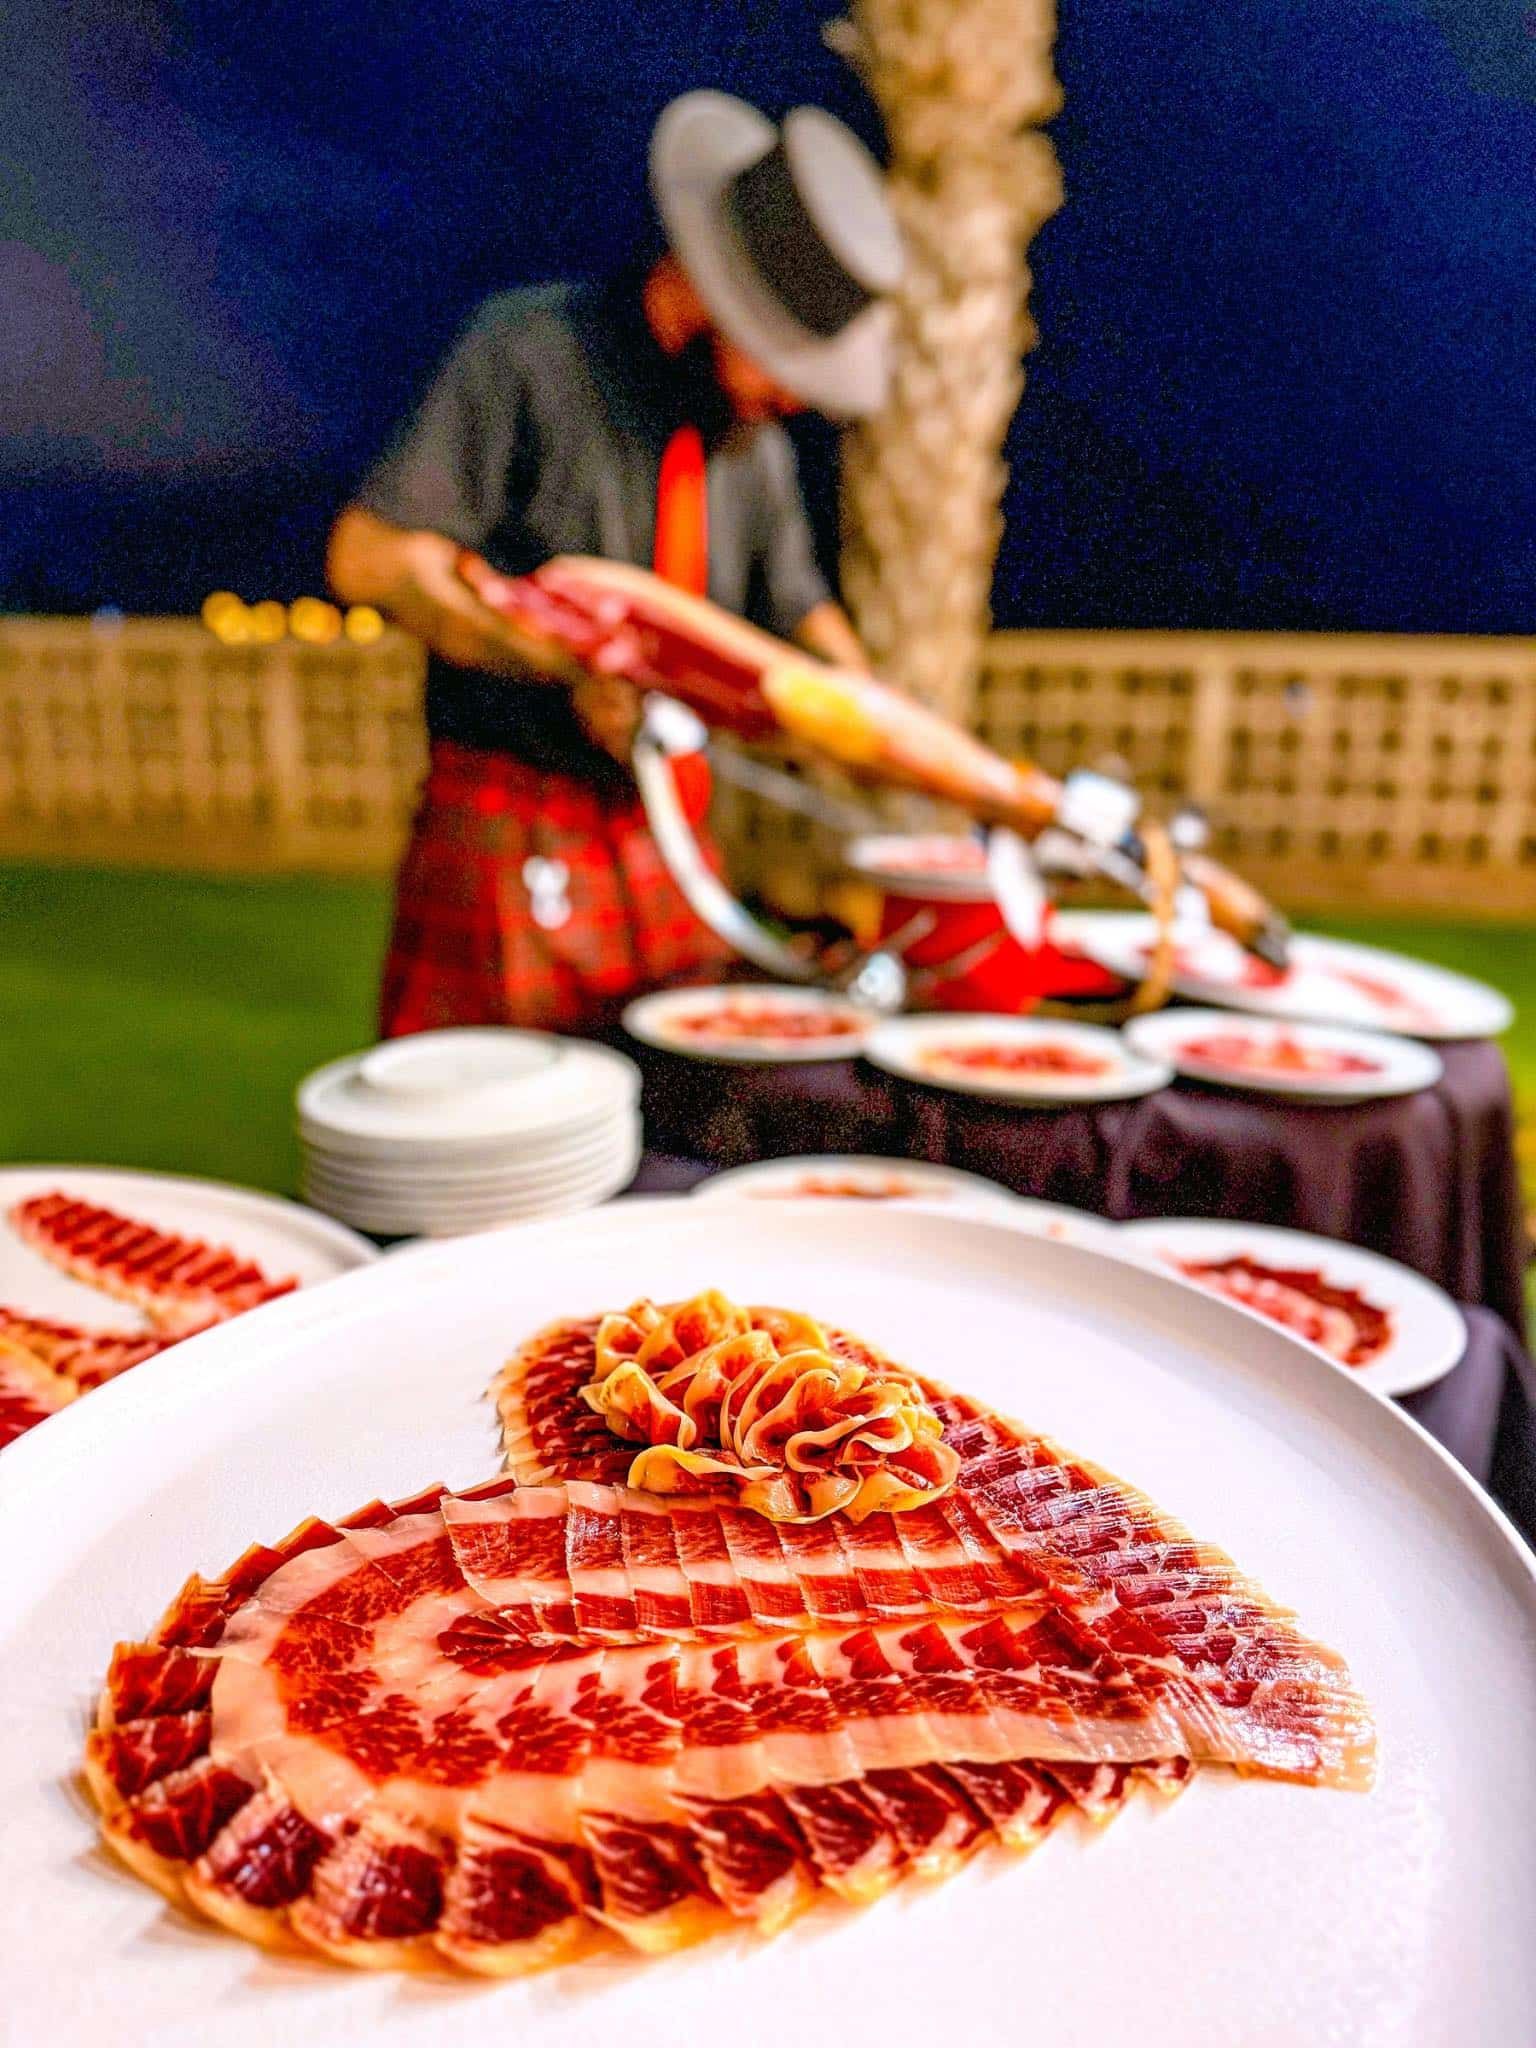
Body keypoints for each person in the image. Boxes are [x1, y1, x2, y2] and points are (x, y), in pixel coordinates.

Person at [328, 89, 905, 1037]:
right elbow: (373, 559)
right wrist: (561, 665)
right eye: (778, 357)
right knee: (503, 1136)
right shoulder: (528, 353)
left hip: (665, 833)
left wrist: (884, 726)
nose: (790, 396)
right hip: (513, 826)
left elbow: (799, 604)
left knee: (682, 1115)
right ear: (706, 294)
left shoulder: (745, 441)